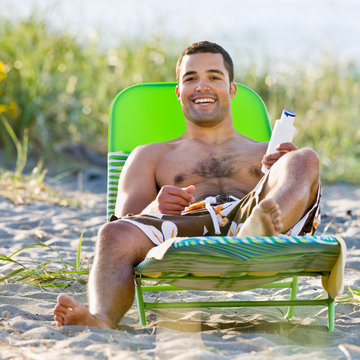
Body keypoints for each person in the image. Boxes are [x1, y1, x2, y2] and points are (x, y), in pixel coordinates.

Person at [53, 41, 321, 329]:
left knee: (305, 157)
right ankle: (101, 319)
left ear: (232, 89)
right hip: (188, 226)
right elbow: (126, 222)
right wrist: (155, 207)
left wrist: (283, 169)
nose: (202, 86)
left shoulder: (267, 153)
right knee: (111, 233)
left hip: (260, 220)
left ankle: (253, 234)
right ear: (179, 92)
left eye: (214, 77)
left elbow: (299, 186)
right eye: (191, 78)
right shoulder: (151, 155)